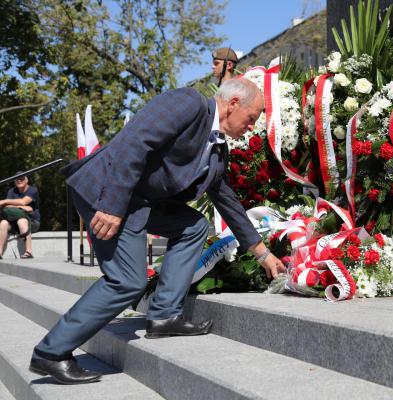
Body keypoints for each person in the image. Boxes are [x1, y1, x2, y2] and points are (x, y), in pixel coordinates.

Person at [29, 78, 286, 384]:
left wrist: (263, 254)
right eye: (252, 117)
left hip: (139, 202)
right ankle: (51, 353)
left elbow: (226, 200)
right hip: (106, 192)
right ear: (233, 105)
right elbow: (134, 142)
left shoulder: (217, 150)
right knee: (126, 281)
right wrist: (112, 205)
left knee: (193, 226)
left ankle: (164, 316)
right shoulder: (189, 104)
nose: (252, 127)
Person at [0, 173, 41, 259]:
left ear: (27, 180)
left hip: (32, 222)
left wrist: (5, 201)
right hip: (14, 222)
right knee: (3, 223)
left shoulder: (33, 190)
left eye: (21, 178)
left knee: (21, 220)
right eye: (17, 179)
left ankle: (28, 252)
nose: (19, 180)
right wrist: (23, 208)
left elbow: (23, 201)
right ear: (14, 181)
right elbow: (6, 207)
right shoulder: (12, 191)